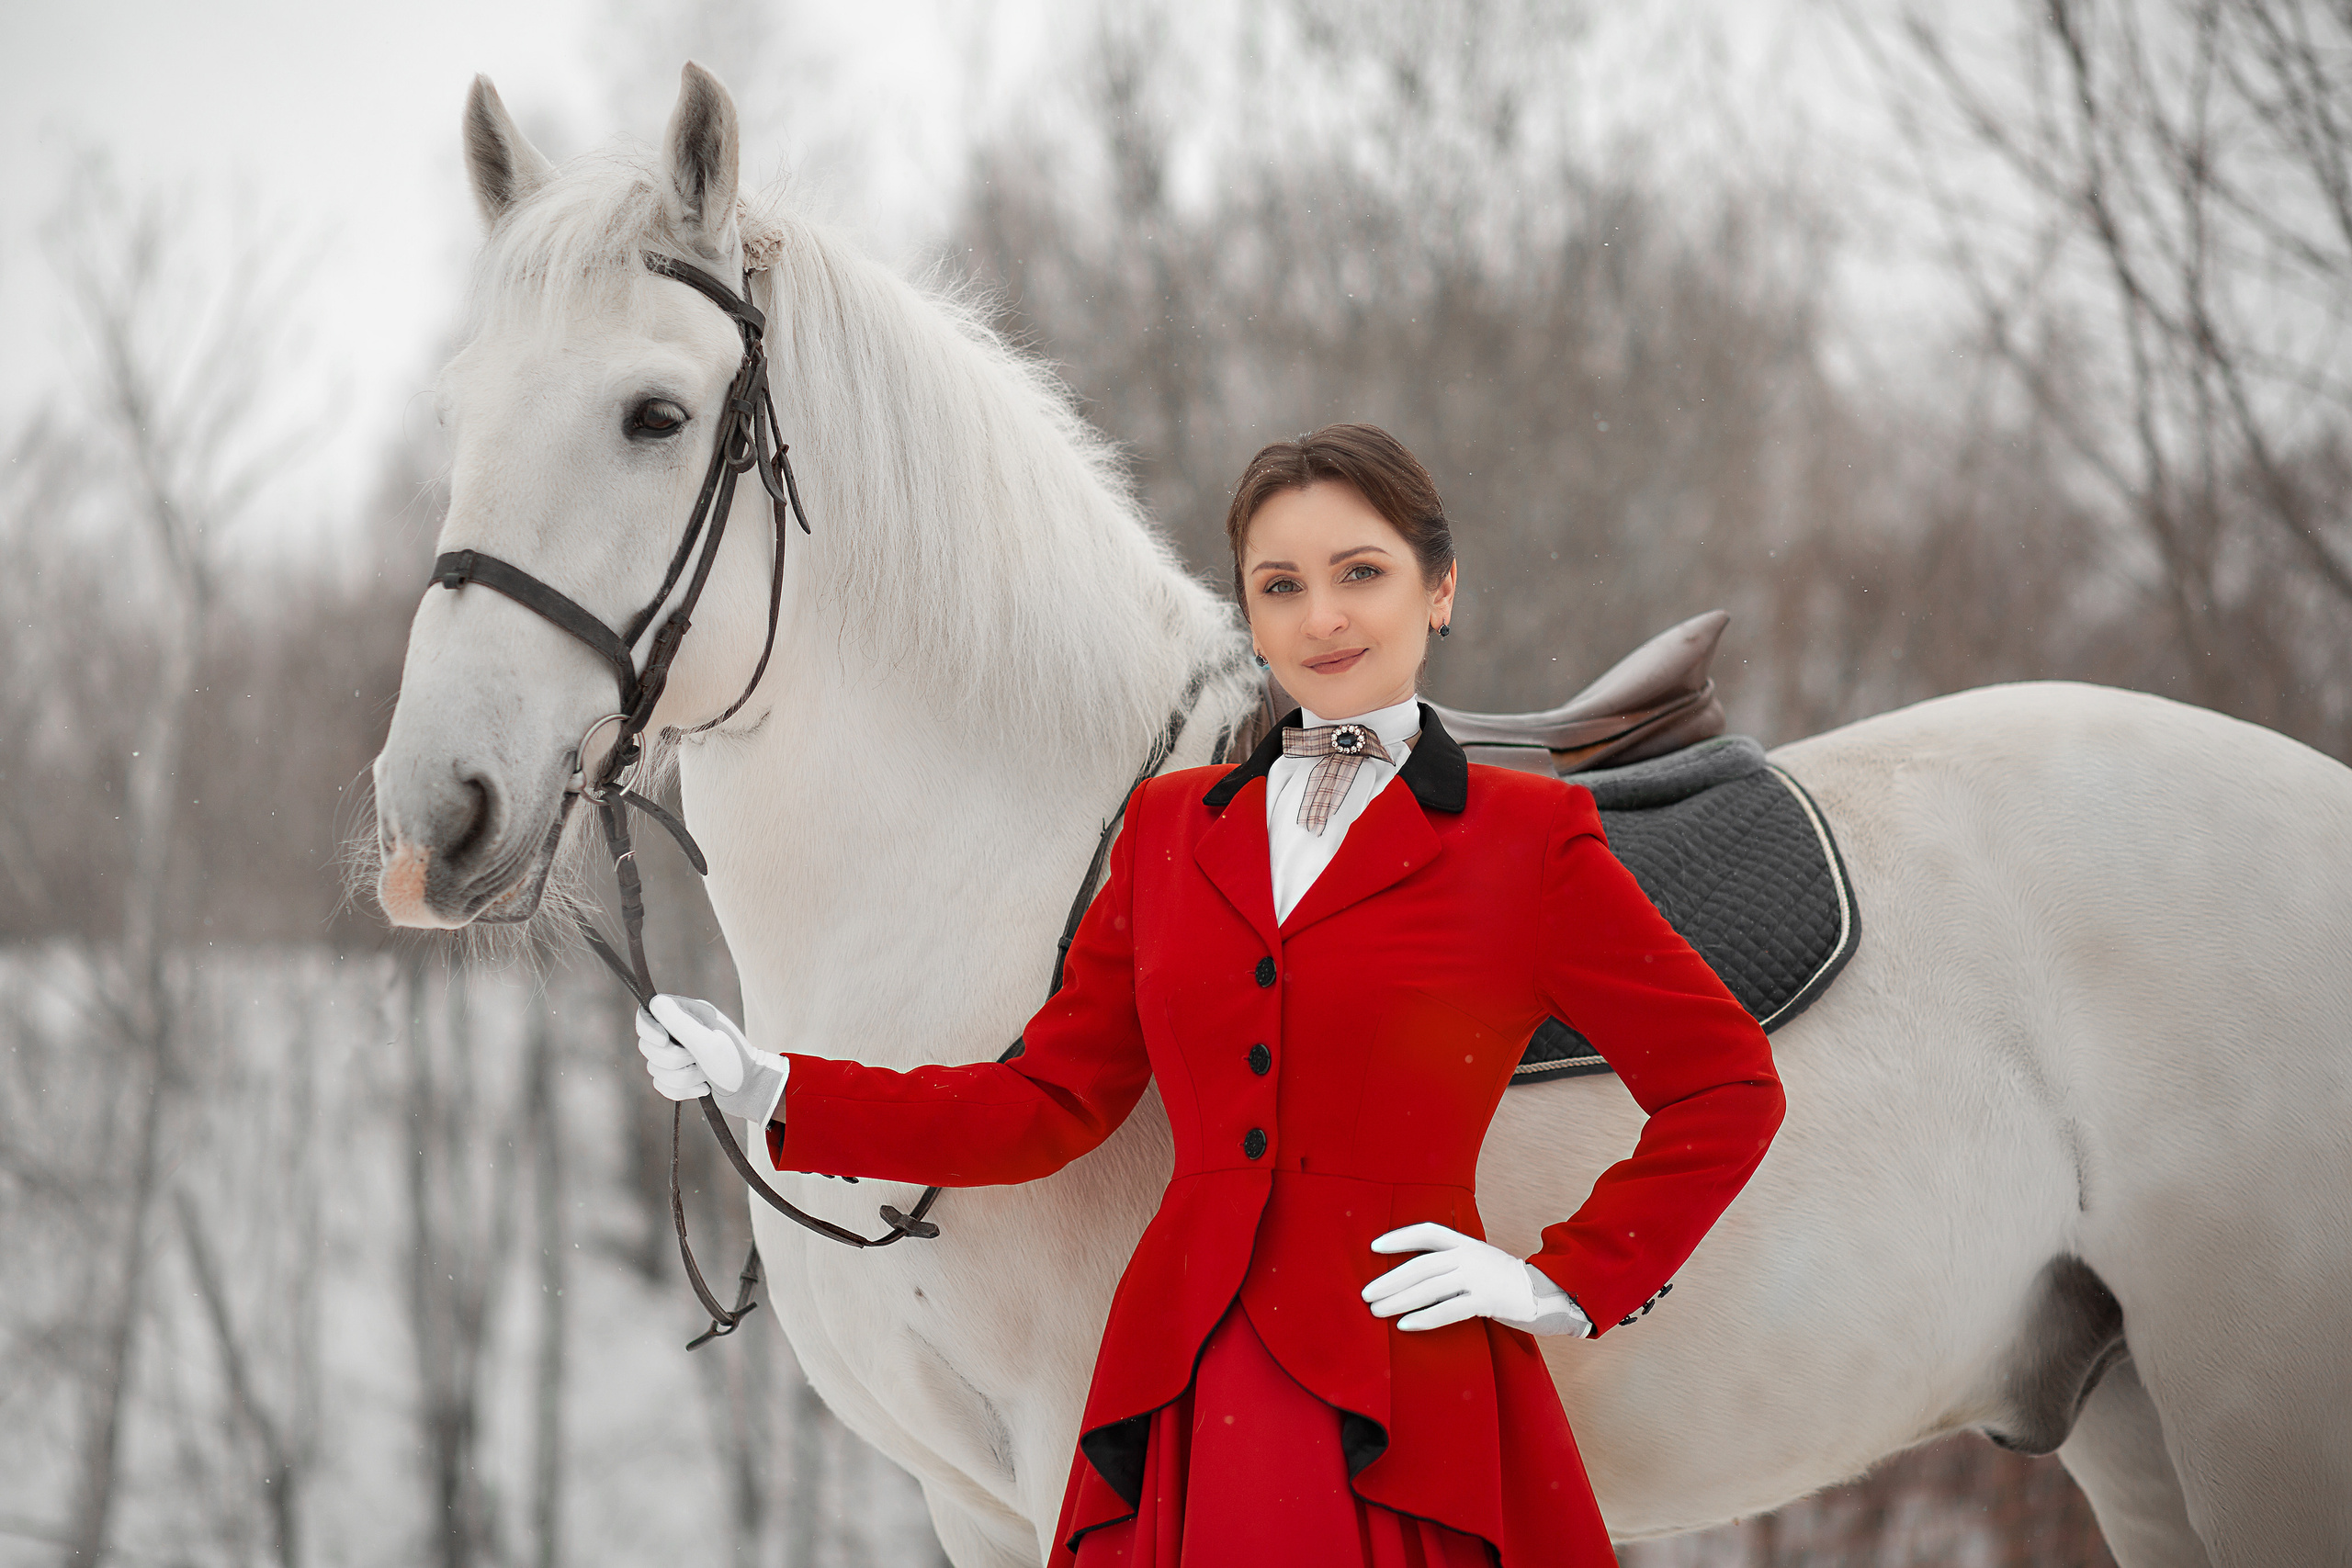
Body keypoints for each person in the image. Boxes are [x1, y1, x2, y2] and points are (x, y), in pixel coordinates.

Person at [638, 423, 1785, 1567]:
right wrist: (774, 1086)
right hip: (1184, 1385)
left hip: (1403, 1387)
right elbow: (1041, 1104)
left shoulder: (1528, 842)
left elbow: (1727, 1085)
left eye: (1360, 574)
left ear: (1439, 591)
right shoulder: (1169, 831)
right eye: (1280, 585)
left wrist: (1562, 1283)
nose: (1321, 618)